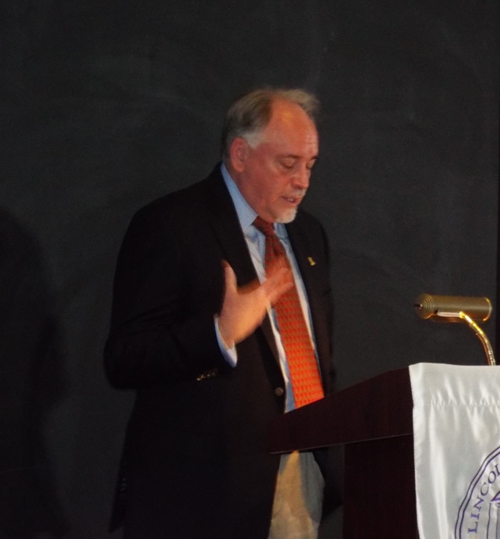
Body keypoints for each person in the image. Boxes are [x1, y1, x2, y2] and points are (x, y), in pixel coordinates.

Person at [104, 88, 336, 538]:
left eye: (310, 165)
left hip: (300, 474)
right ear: (240, 154)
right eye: (288, 164)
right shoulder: (171, 225)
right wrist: (218, 333)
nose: (302, 181)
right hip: (201, 492)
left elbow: (319, 359)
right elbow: (125, 358)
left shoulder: (309, 235)